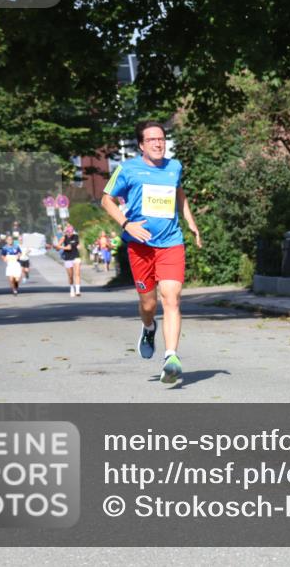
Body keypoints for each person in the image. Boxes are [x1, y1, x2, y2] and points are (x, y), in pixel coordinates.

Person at [101, 120, 202, 385]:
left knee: (172, 297)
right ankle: (148, 328)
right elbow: (106, 200)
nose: (158, 143)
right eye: (152, 140)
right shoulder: (126, 169)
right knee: (149, 304)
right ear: (141, 145)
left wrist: (189, 220)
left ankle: (171, 357)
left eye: (161, 139)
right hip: (140, 246)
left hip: (170, 243)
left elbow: (179, 194)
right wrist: (126, 224)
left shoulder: (174, 167)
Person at [59, 224, 82, 297]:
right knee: (70, 276)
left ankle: (78, 291)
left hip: (76, 257)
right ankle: (72, 288)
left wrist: (78, 246)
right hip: (68, 258)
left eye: (71, 231)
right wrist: (63, 247)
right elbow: (57, 247)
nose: (70, 233)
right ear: (66, 232)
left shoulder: (76, 237)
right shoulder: (63, 238)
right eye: (68, 231)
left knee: (77, 273)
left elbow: (76, 245)